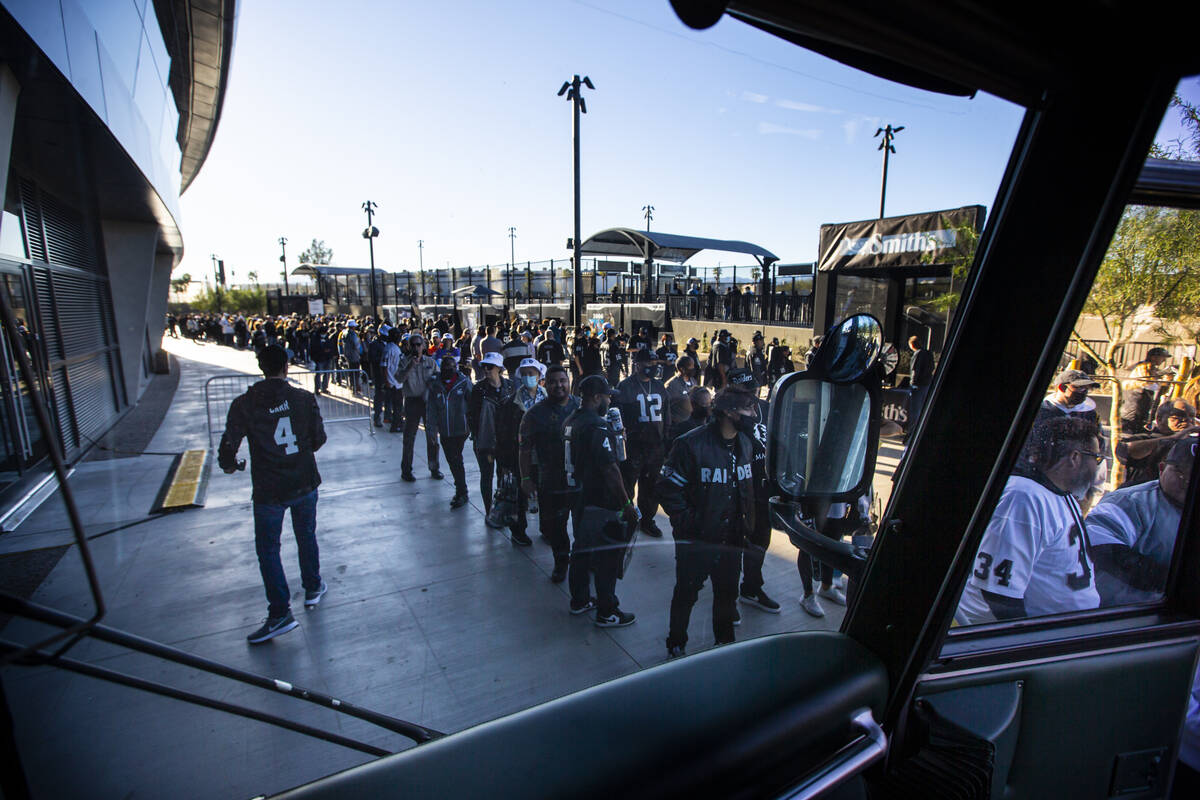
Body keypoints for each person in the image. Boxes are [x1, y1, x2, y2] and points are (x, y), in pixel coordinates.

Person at [217, 345, 327, 644]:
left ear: (261, 366)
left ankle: (280, 612)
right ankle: (313, 586)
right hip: (303, 481)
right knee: (306, 535)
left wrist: (229, 465)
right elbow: (318, 439)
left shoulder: (246, 403)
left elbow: (229, 444)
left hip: (269, 488)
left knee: (268, 550)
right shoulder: (303, 399)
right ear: (287, 366)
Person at [955, 416, 1104, 624]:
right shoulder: (1024, 497)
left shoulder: (1061, 494)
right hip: (1041, 638)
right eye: (1096, 458)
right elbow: (996, 595)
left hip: (1065, 631)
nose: (1098, 467)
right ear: (1075, 457)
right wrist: (1025, 642)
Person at [658, 386, 759, 658]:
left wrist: (748, 527)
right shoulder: (690, 444)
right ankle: (676, 643)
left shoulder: (746, 444)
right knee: (686, 594)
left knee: (726, 596)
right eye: (748, 408)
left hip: (732, 541)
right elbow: (668, 489)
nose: (754, 414)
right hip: (697, 542)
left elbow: (747, 490)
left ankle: (724, 644)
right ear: (727, 412)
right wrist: (690, 524)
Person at [564, 375, 638, 626]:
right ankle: (607, 611)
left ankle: (580, 599)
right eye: (607, 396)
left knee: (581, 551)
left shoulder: (572, 420)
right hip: (600, 501)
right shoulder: (597, 425)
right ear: (596, 397)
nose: (609, 400)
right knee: (607, 558)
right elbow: (610, 469)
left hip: (579, 497)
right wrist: (626, 503)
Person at [1090, 436, 1195, 606]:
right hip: (1120, 616)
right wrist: (1171, 579)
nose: (1188, 482)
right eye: (1181, 472)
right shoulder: (1128, 501)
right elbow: (1100, 547)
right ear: (1161, 469)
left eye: (1194, 475)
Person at [520, 365, 581, 581]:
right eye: (554, 381)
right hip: (551, 480)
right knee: (556, 528)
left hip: (582, 480)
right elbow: (525, 449)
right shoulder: (535, 414)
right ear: (546, 383)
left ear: (569, 381)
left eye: (563, 380)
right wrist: (526, 478)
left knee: (584, 526)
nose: (559, 385)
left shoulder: (581, 406)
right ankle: (561, 563)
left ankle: (583, 564)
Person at [616, 349, 671, 538]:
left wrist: (666, 440)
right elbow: (618, 417)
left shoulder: (659, 386)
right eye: (649, 363)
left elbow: (666, 414)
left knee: (651, 486)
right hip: (633, 446)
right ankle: (627, 517)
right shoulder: (625, 386)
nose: (653, 367)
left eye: (655, 363)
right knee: (628, 484)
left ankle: (647, 520)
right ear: (638, 364)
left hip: (655, 446)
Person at [495, 358, 547, 546]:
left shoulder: (548, 397)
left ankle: (547, 529)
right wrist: (505, 462)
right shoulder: (511, 403)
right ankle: (518, 531)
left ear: (540, 376)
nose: (528, 377)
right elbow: (504, 434)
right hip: (520, 456)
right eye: (524, 374)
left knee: (545, 495)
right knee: (520, 496)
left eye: (531, 373)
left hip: (543, 456)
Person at [468, 352, 513, 516]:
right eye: (484, 366)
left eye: (490, 367)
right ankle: (488, 511)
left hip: (506, 442)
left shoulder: (511, 386)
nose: (486, 370)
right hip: (485, 442)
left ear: (499, 368)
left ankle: (502, 509)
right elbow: (471, 415)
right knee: (486, 476)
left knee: (504, 476)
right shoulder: (478, 389)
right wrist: (477, 435)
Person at [425, 355, 474, 509]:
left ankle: (462, 491)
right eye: (446, 368)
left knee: (456, 459)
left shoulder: (464, 383)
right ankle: (461, 489)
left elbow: (473, 403)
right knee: (453, 460)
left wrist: (474, 427)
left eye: (452, 367)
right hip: (445, 431)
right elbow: (431, 410)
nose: (449, 370)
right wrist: (431, 430)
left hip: (461, 429)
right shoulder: (435, 385)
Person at [1116, 399, 1198, 488]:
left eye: (1191, 416)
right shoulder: (1143, 438)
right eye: (1179, 416)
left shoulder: (1192, 444)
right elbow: (1127, 451)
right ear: (1159, 419)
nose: (1187, 420)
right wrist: (1174, 438)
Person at [398, 332, 440, 482]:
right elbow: (399, 378)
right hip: (412, 401)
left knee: (432, 437)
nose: (416, 347)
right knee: (409, 438)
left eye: (418, 344)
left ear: (423, 346)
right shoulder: (404, 361)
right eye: (413, 344)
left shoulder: (430, 362)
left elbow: (438, 380)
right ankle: (406, 470)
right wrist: (410, 366)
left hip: (428, 402)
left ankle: (434, 468)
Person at [1121, 347, 1173, 434]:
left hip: (1134, 412)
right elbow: (1149, 385)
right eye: (1162, 357)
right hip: (1134, 413)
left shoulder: (1145, 368)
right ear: (1153, 357)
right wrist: (1165, 382)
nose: (1164, 360)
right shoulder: (1144, 368)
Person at [1035, 368, 1101, 427]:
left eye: (1087, 389)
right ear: (1062, 387)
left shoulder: (1089, 414)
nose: (1085, 392)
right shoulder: (1041, 412)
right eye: (1080, 388)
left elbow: (1099, 438)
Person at [664, 355, 699, 429]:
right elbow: (665, 408)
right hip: (679, 426)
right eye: (690, 366)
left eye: (693, 365)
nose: (693, 368)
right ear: (682, 369)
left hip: (693, 424)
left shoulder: (693, 381)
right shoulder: (671, 385)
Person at [907, 335, 934, 430]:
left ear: (912, 345)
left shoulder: (917, 354)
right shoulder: (929, 353)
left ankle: (912, 431)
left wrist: (912, 383)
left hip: (917, 385)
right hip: (927, 384)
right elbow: (932, 367)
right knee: (923, 409)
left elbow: (915, 369)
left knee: (915, 410)